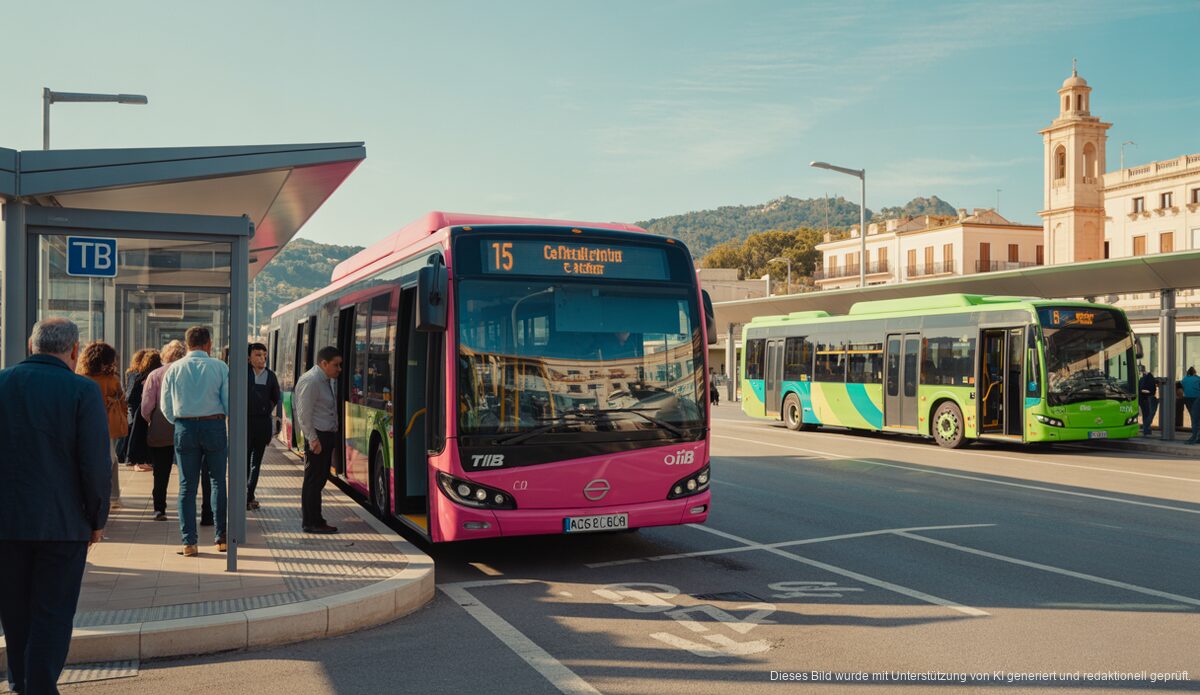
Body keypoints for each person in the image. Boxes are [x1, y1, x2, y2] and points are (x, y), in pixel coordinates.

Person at [0, 318, 110, 695]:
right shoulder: (82, 390)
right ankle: (40, 687)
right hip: (63, 524)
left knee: (14, 611)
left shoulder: (2, 382)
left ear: (32, 346)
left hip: (6, 522)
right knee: (53, 612)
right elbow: (94, 463)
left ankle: (20, 680)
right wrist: (97, 518)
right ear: (75, 350)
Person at [160, 326, 229, 556]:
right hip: (214, 425)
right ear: (209, 343)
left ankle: (189, 542)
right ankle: (221, 538)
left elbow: (165, 405)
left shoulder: (174, 368)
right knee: (218, 481)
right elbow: (227, 402)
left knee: (186, 486)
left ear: (187, 344)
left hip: (184, 426)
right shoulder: (220, 367)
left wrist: (180, 421)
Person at [294, 346, 342, 534]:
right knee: (313, 481)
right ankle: (311, 522)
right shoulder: (311, 380)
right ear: (323, 363)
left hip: (326, 435)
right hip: (318, 437)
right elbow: (304, 414)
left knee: (320, 479)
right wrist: (313, 439)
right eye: (335, 365)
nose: (339, 369)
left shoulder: (324, 380)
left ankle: (316, 519)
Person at [77, 341, 129, 510]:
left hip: (85, 425)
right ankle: (113, 496)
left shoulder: (80, 378)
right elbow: (122, 403)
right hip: (108, 426)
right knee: (111, 460)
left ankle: (91, 495)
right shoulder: (113, 380)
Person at [141, 341, 187, 522]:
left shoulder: (155, 375)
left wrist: (152, 420)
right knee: (186, 471)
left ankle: (159, 508)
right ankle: (186, 508)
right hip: (184, 427)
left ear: (165, 354)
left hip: (160, 427)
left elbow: (146, 406)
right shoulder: (186, 372)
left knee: (160, 471)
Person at [247, 342, 281, 511]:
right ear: (249, 358)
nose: (262, 358)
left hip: (262, 424)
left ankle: (249, 494)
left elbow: (276, 397)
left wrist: (266, 407)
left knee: (256, 463)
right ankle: (244, 495)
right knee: (244, 461)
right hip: (245, 423)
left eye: (264, 355)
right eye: (257, 355)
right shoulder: (244, 374)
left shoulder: (271, 376)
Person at [125, 350, 162, 472]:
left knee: (138, 435)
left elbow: (129, 397)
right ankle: (146, 460)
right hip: (148, 411)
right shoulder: (154, 375)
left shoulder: (136, 375)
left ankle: (136, 459)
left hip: (137, 411)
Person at [116, 349, 147, 464]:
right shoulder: (140, 374)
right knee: (133, 429)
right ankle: (127, 455)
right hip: (136, 404)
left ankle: (121, 454)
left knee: (128, 429)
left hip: (129, 404)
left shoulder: (129, 372)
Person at [1137, 364, 1158, 437]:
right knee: (1148, 414)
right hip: (1146, 398)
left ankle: (1146, 429)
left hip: (1143, 398)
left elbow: (1143, 388)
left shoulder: (1144, 378)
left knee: (1146, 414)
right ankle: (1146, 428)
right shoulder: (1148, 377)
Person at [1183, 366, 1200, 444]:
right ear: (1194, 372)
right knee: (1196, 419)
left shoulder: (1184, 379)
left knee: (1193, 418)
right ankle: (1195, 436)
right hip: (1197, 398)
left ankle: (1195, 435)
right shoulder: (1197, 379)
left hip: (1187, 399)